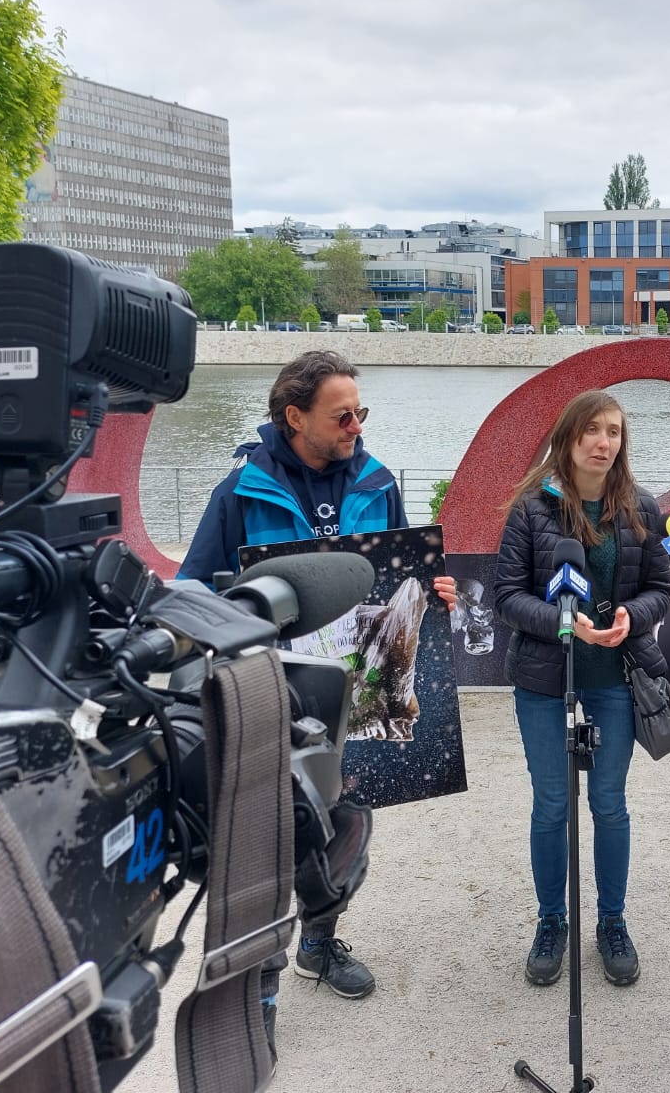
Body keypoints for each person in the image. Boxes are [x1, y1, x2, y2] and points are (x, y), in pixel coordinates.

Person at [180, 351, 455, 1018]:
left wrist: (433, 591)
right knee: (266, 836)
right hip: (267, 693)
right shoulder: (240, 491)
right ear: (294, 416)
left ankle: (320, 944)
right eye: (342, 415)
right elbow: (191, 588)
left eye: (361, 412)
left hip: (357, 694)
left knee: (346, 827)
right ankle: (262, 976)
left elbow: (398, 577)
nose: (356, 425)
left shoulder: (378, 482)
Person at [493, 389, 670, 988]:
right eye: (592, 431)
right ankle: (551, 922)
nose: (604, 443)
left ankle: (612, 922)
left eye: (614, 432)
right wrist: (568, 624)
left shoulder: (641, 506)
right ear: (567, 439)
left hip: (615, 684)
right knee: (551, 805)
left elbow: (660, 588)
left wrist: (631, 618)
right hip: (547, 685)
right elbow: (507, 597)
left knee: (609, 805)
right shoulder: (531, 509)